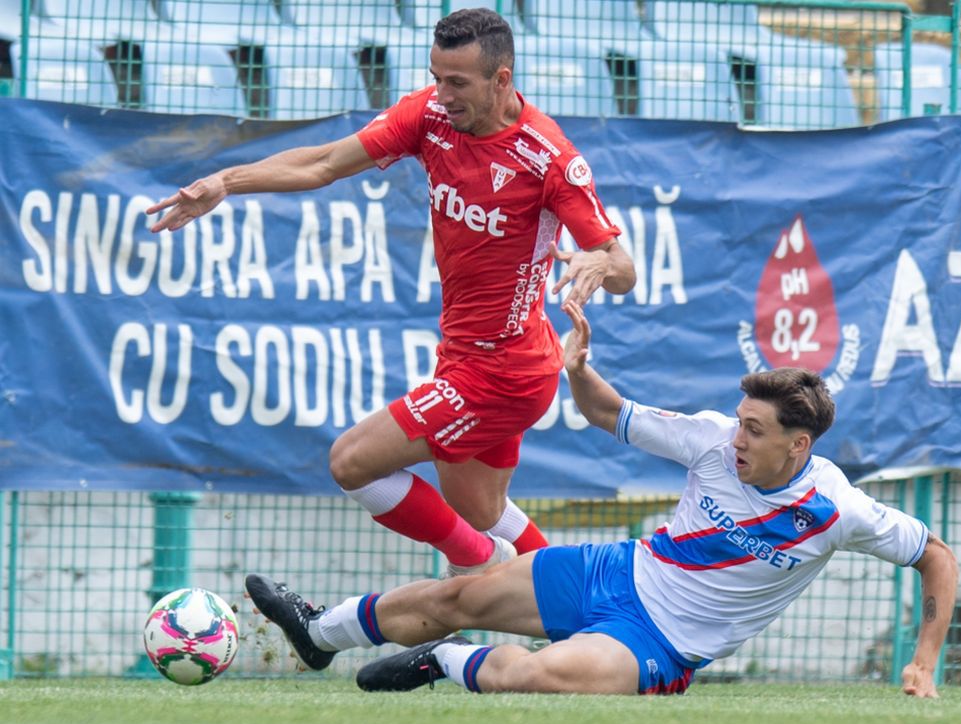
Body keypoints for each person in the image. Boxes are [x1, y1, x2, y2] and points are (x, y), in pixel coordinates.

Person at [245, 301, 960, 696]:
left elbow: (937, 557)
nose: (736, 438)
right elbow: (607, 412)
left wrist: (924, 660)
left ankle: (447, 663)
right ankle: (318, 633)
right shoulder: (711, 438)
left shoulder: (837, 510)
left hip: (660, 643)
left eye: (754, 430)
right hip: (613, 572)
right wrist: (579, 370)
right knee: (455, 597)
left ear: (797, 447)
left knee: (541, 678)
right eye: (739, 422)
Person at [147, 9, 636, 574]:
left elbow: (622, 267)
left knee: (353, 462)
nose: (442, 94)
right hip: (469, 356)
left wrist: (601, 260)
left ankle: (478, 564)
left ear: (502, 80)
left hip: (505, 370)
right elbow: (325, 163)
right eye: (436, 76)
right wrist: (225, 182)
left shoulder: (548, 158)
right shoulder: (429, 115)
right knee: (478, 507)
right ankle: (570, 601)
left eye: (458, 82)